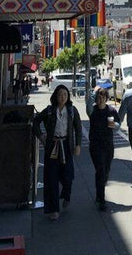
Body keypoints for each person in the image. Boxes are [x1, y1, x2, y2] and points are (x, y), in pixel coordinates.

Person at [32, 85, 82, 221]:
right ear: (55, 96)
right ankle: (53, 209)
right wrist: (41, 136)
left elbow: (78, 128)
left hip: (66, 145)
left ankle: (66, 194)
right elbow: (35, 121)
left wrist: (78, 145)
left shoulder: (72, 110)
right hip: (52, 146)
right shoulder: (49, 111)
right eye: (60, 95)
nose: (63, 97)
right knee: (51, 178)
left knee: (68, 175)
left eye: (65, 95)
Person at [86, 86, 120, 210]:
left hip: (108, 144)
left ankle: (99, 192)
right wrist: (94, 92)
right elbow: (89, 103)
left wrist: (114, 125)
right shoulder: (92, 111)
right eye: (99, 98)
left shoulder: (111, 110)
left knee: (105, 171)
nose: (101, 100)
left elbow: (118, 124)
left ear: (106, 98)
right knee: (100, 170)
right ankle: (101, 199)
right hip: (96, 145)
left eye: (103, 98)